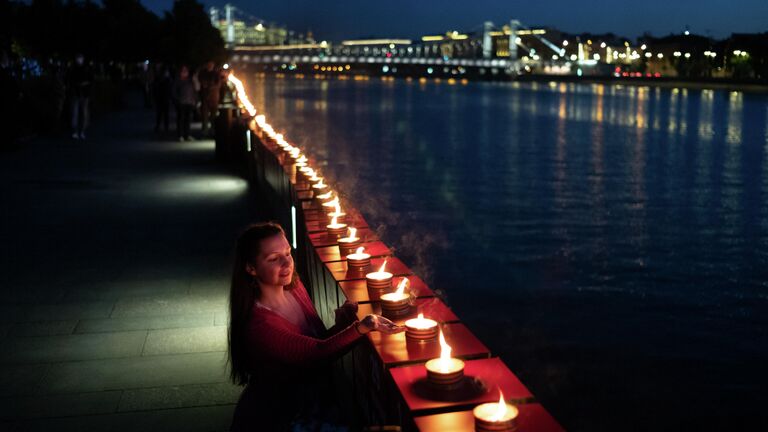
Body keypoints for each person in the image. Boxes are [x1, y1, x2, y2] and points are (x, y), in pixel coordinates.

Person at [228, 222, 403, 431]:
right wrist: (364, 326)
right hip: (281, 416)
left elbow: (318, 344)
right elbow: (316, 354)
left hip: (313, 404)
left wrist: (345, 324)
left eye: (288, 253)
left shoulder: (293, 288)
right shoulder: (260, 325)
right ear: (251, 268)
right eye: (274, 259)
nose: (287, 264)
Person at [66, 54, 93, 140]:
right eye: (78, 58)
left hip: (84, 93)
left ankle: (82, 131)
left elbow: (91, 80)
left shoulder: (86, 68)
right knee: (75, 112)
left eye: (81, 58)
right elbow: (69, 80)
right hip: (76, 93)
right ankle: (76, 131)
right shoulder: (73, 69)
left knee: (83, 113)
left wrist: (85, 85)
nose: (79, 60)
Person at [172, 65, 196, 141]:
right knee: (180, 120)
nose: (185, 72)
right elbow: (173, 92)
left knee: (188, 120)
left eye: (186, 71)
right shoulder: (177, 81)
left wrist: (194, 100)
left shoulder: (190, 81)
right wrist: (177, 100)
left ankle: (187, 135)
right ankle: (180, 135)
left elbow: (193, 91)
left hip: (189, 103)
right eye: (183, 71)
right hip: (181, 103)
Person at [197, 61, 220, 137]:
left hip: (213, 97)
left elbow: (218, 84)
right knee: (204, 116)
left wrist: (211, 86)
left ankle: (212, 131)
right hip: (204, 97)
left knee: (213, 116)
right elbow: (200, 81)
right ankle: (204, 132)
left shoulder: (216, 73)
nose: (210, 66)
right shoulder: (203, 73)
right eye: (208, 64)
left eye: (211, 64)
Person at [152, 64, 172, 134]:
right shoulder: (161, 79)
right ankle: (162, 126)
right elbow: (155, 88)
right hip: (162, 98)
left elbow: (169, 89)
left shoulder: (165, 79)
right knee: (161, 113)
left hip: (163, 98)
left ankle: (163, 126)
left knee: (162, 113)